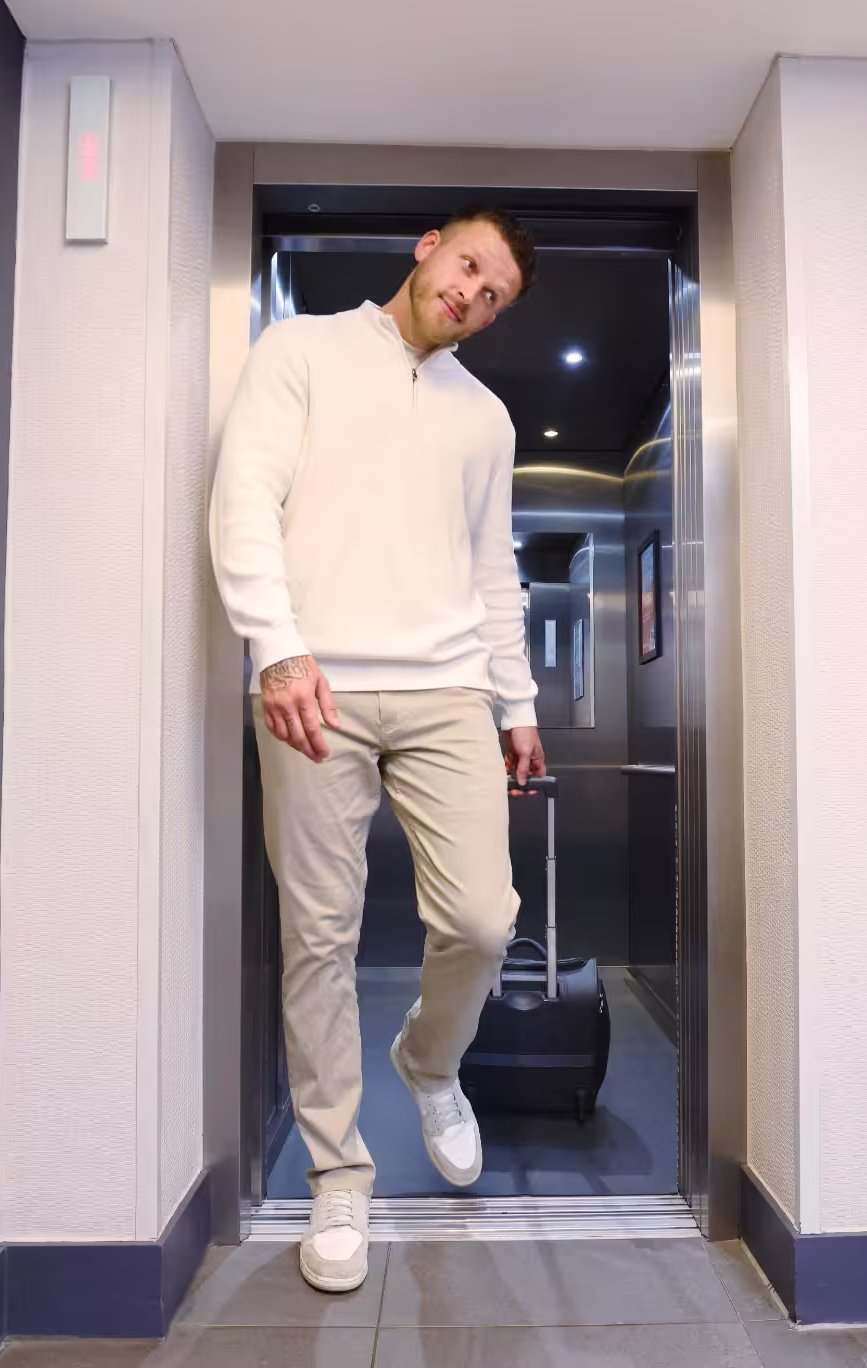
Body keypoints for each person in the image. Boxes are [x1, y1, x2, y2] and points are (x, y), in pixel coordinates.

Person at [209, 207, 546, 1293]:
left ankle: (429, 1063)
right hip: (317, 685)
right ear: (427, 249)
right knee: (319, 937)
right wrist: (276, 648)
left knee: (484, 917)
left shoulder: (485, 418)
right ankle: (338, 1179)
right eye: (469, 268)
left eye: (495, 296)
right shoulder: (298, 351)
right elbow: (243, 499)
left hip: (450, 686)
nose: (473, 295)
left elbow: (494, 570)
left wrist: (518, 701)